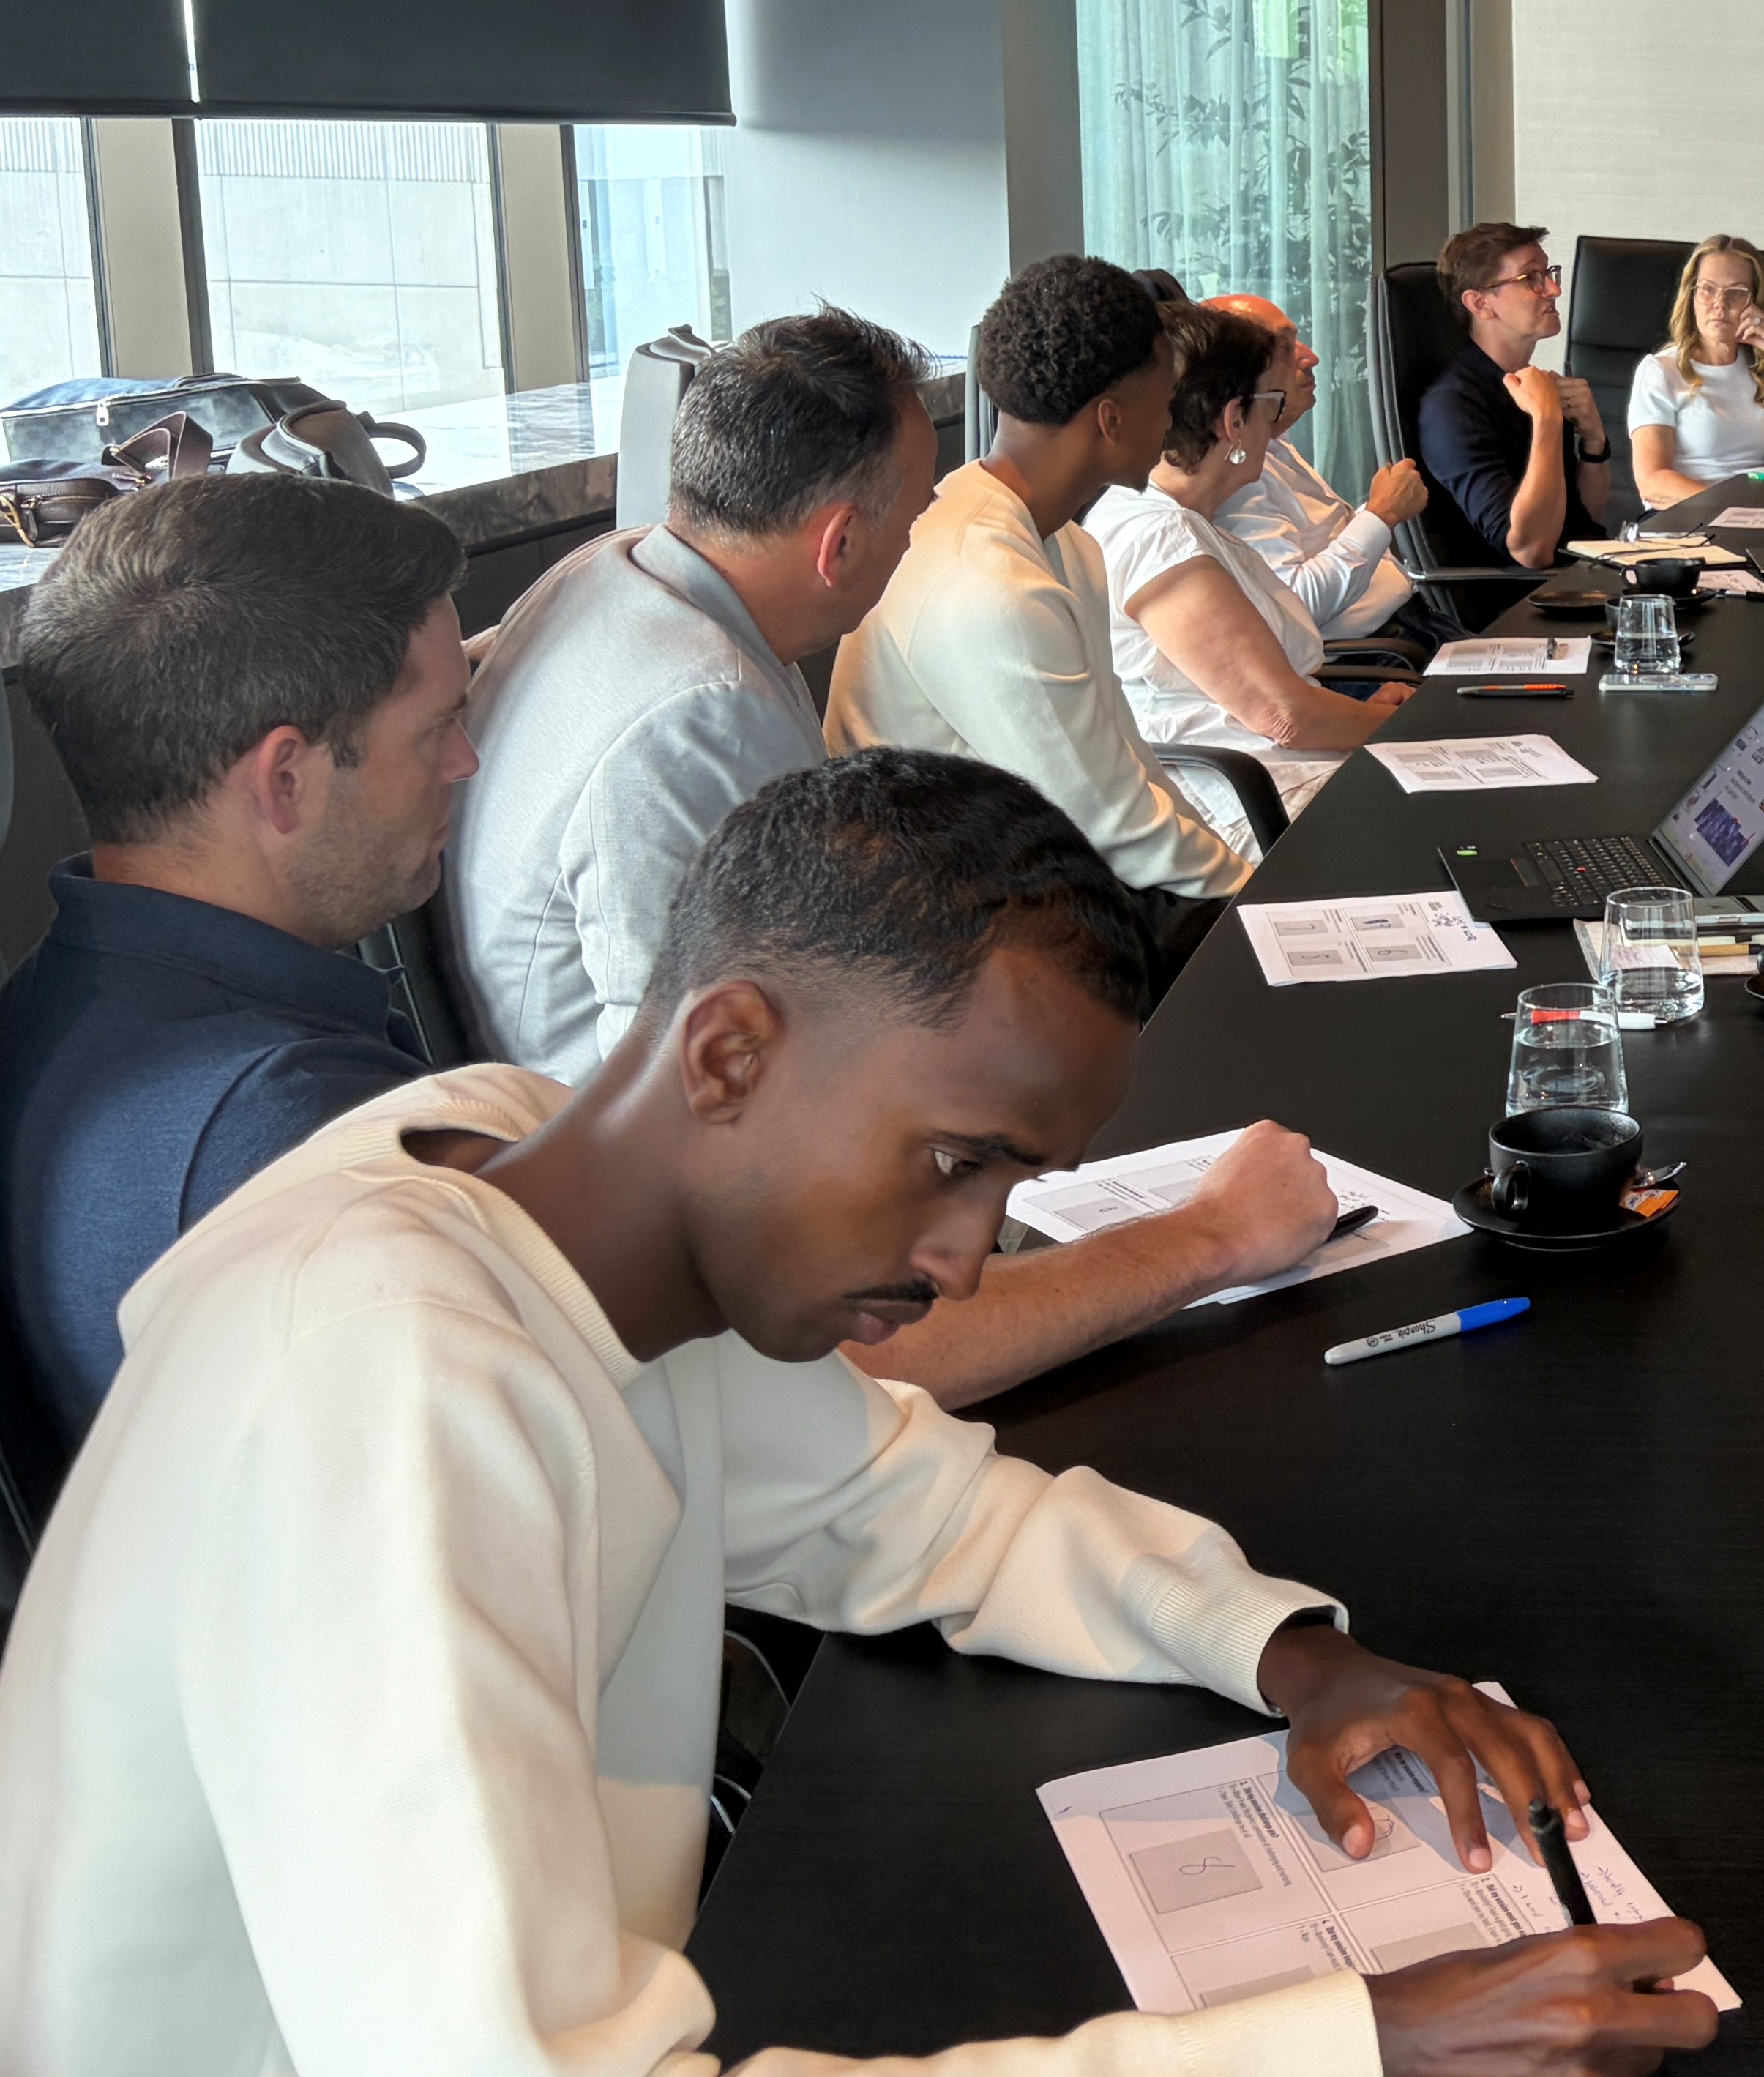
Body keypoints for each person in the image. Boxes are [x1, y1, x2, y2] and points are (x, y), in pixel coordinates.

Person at [0, 748, 1721, 2077]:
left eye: (1011, 1181)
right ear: (729, 1054)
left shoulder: (541, 1171)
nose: (966, 1254)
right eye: (954, 1161)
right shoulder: (381, 1389)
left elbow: (913, 1509)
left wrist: (1284, 1652)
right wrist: (1353, 2057)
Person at [448, 306, 1336, 1408]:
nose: (920, 536)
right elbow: (749, 1189)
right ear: (837, 543)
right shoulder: (696, 714)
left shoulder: (611, 574)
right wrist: (1207, 1236)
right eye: (912, 516)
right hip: (679, 1304)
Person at [0, 477, 472, 1449]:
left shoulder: (42, 1011)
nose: (463, 760)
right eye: (436, 726)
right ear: (286, 778)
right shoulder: (300, 1133)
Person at [827, 253, 1249, 911]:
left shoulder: (1064, 543)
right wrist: (1265, 898)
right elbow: (1113, 829)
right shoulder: (988, 583)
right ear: (1110, 420)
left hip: (1026, 881)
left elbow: (1126, 768)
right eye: (1165, 401)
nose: (1172, 423)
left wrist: (1246, 875)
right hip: (944, 920)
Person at [1089, 303, 1414, 829]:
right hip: (1259, 806)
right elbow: (1284, 718)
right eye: (1271, 405)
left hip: (1288, 775)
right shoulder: (1160, 537)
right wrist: (1409, 725)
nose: (1275, 426)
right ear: (1233, 421)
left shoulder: (1182, 521)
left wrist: (1368, 714)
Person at [1200, 288, 1432, 644]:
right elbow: (1295, 604)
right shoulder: (1238, 474)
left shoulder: (1274, 444)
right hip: (1371, 655)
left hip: (1409, 624)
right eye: (1284, 347)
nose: (1311, 357)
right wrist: (1381, 515)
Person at [1415, 222, 1611, 570]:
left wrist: (1594, 444)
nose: (1553, 289)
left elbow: (1582, 524)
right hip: (1524, 597)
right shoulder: (1452, 408)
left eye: (1548, 273)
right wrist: (1547, 421)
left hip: (1580, 574)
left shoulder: (1530, 386)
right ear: (1480, 303)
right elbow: (1531, 551)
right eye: (1531, 278)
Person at [1626, 234, 1764, 505]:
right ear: (1692, 297)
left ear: (1756, 303)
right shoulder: (1660, 372)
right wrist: (1727, 504)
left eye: (1736, 292)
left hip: (1752, 514)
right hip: (1685, 516)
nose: (1720, 303)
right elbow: (1652, 483)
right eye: (1708, 290)